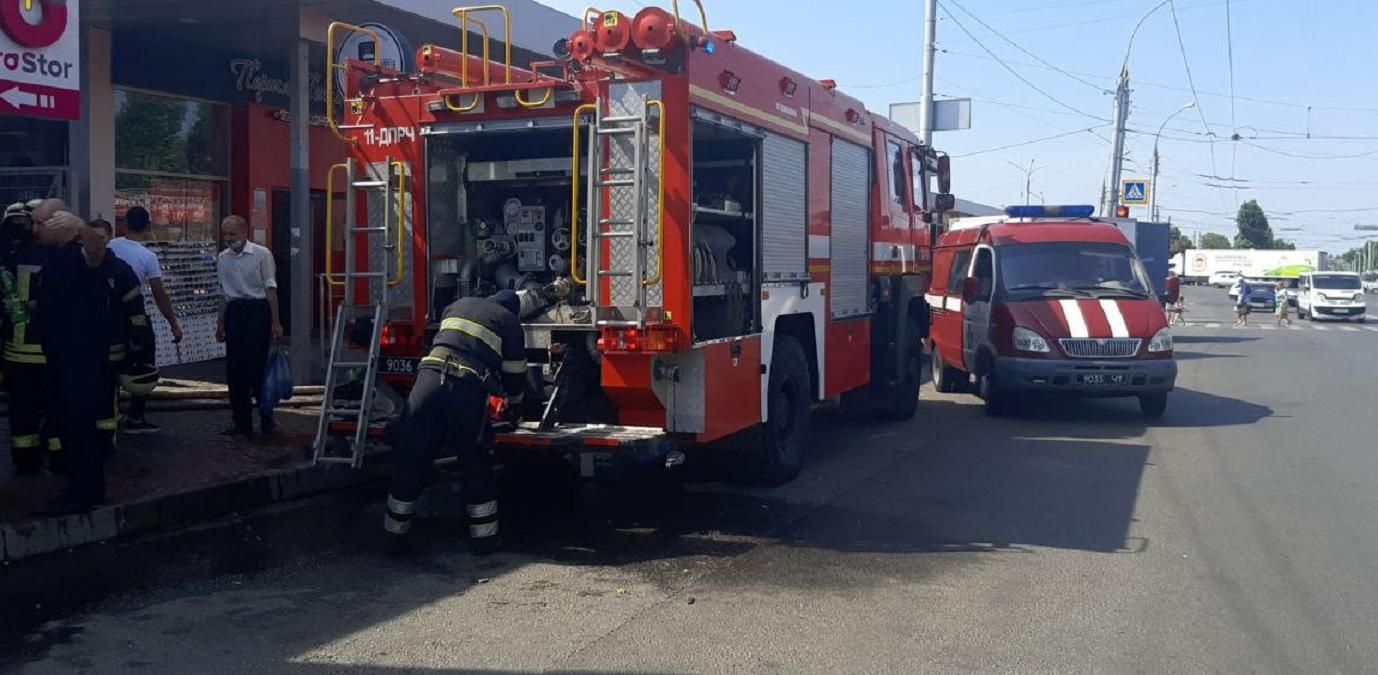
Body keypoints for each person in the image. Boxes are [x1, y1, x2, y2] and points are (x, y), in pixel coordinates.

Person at [382, 290, 528, 555]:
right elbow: (515, 371)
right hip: (464, 387)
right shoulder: (509, 320)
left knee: (413, 457)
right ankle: (484, 541)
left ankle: (393, 536)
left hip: (426, 380)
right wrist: (516, 404)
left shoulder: (457, 304)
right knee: (476, 462)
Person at [34, 212, 153, 514]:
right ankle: (81, 487)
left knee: (80, 426)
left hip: (84, 358)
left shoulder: (83, 258)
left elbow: (98, 256)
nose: (35, 229)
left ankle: (84, 492)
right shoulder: (55, 258)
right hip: (65, 355)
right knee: (70, 425)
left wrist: (80, 227)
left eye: (41, 223)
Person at [109, 206, 182, 434]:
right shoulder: (147, 257)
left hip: (108, 317)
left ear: (125, 223)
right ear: (148, 226)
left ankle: (109, 413)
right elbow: (159, 294)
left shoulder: (111, 246)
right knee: (144, 365)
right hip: (135, 318)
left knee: (110, 366)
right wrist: (173, 324)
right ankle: (136, 416)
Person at [1, 202, 58, 475]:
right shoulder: (59, 255)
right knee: (56, 408)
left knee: (22, 411)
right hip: (50, 350)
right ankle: (58, 460)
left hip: (16, 350)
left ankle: (25, 462)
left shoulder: (10, 258)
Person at [214, 216, 282, 437]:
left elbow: (270, 289)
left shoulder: (261, 254)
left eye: (232, 234)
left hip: (257, 310)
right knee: (235, 370)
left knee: (257, 367)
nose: (228, 239)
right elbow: (223, 293)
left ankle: (266, 417)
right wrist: (220, 323)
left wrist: (275, 322)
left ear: (244, 233)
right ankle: (241, 421)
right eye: (225, 234)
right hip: (235, 311)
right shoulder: (223, 258)